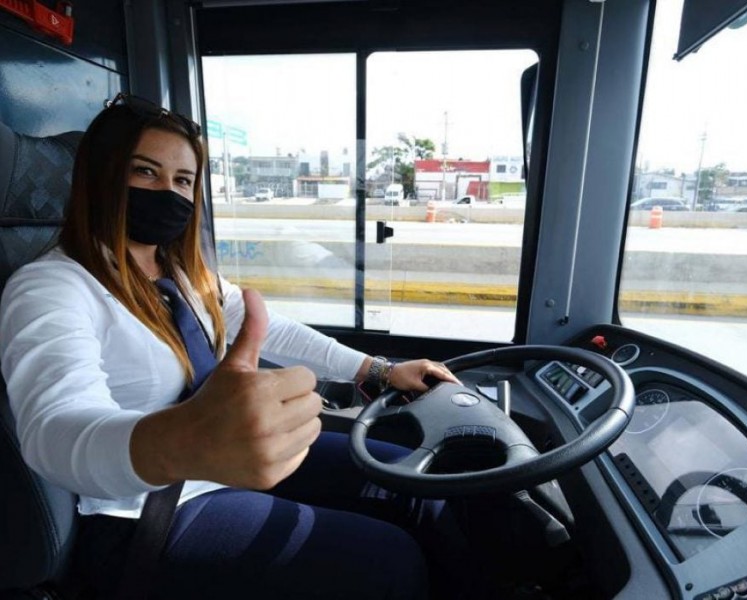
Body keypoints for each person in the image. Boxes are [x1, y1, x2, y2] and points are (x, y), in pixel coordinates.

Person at [0, 94, 469, 599]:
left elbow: (274, 329)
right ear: (101, 178)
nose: (169, 192)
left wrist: (377, 370)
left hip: (225, 467)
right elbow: (53, 430)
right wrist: (181, 441)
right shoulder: (52, 287)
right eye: (145, 172)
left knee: (415, 486)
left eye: (183, 180)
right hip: (144, 513)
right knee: (388, 562)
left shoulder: (178, 275)